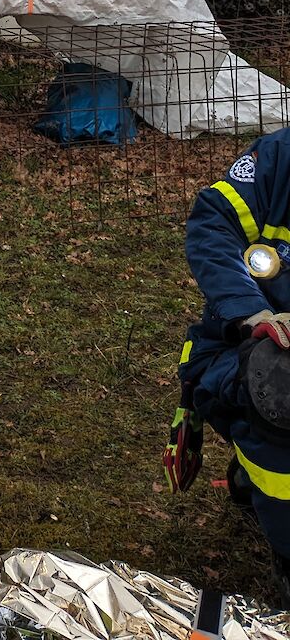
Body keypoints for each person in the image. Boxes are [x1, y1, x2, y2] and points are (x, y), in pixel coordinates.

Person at [171, 128, 290, 601]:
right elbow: (214, 224)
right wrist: (253, 313)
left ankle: (250, 464)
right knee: (278, 388)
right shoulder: (278, 159)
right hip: (245, 345)